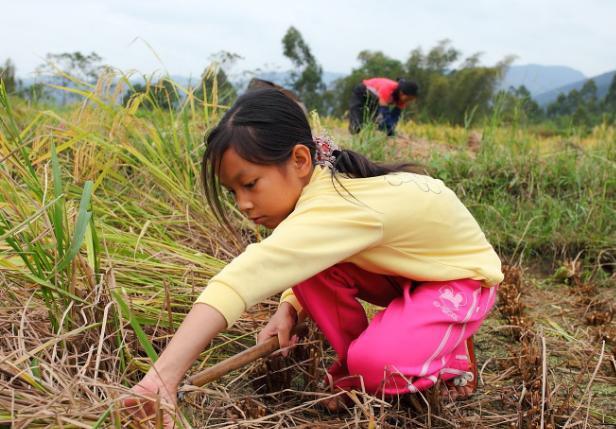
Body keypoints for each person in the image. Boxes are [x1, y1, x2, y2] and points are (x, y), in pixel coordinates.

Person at [124, 88, 502, 425]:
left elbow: (241, 278)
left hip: (457, 278)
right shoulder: (321, 193)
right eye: (233, 192)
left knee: (378, 367)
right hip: (408, 271)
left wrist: (161, 379)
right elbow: (305, 259)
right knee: (311, 276)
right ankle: (356, 370)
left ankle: (451, 357)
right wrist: (290, 305)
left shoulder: (334, 205)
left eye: (250, 184)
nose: (243, 204)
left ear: (301, 160)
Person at [349, 77, 418, 136]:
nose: (408, 101)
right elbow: (384, 112)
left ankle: (371, 137)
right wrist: (389, 129)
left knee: (374, 121)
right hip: (362, 92)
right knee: (357, 119)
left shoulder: (403, 100)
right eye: (409, 99)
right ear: (402, 93)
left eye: (411, 99)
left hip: (375, 98)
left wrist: (390, 129)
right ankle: (353, 135)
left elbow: (395, 116)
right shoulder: (387, 89)